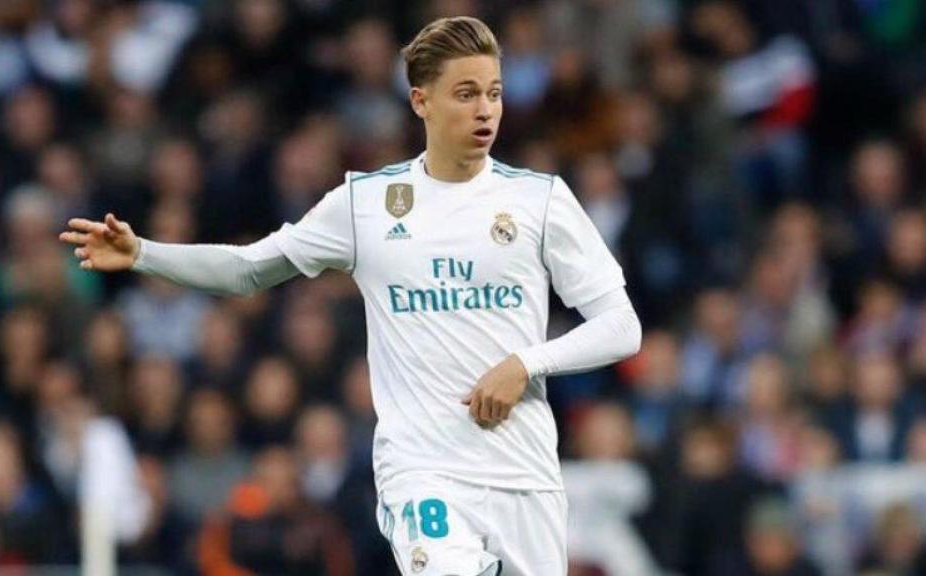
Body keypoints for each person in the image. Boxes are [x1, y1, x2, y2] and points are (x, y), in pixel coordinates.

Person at [59, 16, 641, 576]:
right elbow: (248, 270)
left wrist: (527, 362)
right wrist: (145, 254)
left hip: (524, 471)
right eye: (465, 93)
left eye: (493, 92)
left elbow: (621, 325)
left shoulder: (540, 201)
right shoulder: (368, 205)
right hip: (424, 470)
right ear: (421, 101)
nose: (485, 108)